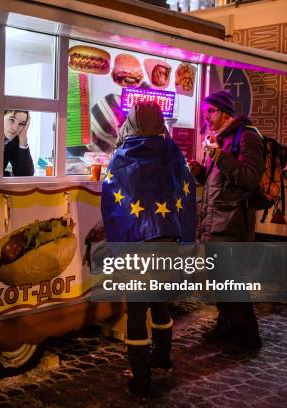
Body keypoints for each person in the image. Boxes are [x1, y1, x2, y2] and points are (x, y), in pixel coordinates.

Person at [101, 101, 196, 398]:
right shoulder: (172, 152)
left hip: (137, 244)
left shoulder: (121, 156)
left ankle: (141, 382)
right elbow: (188, 189)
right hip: (168, 240)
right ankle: (163, 357)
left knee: (137, 310)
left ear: (131, 120)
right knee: (160, 299)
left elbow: (111, 201)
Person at [187, 90, 264, 352]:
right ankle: (226, 326)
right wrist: (200, 173)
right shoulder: (222, 140)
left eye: (211, 111)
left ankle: (247, 339)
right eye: (204, 112)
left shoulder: (248, 137)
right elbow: (220, 183)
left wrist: (219, 155)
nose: (206, 116)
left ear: (225, 112)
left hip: (232, 224)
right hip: (215, 221)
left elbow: (250, 179)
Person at [3, 109, 34, 176]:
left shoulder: (13, 140)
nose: (15, 128)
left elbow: (26, 175)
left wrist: (23, 137)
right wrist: (10, 175)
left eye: (21, 124)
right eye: (12, 120)